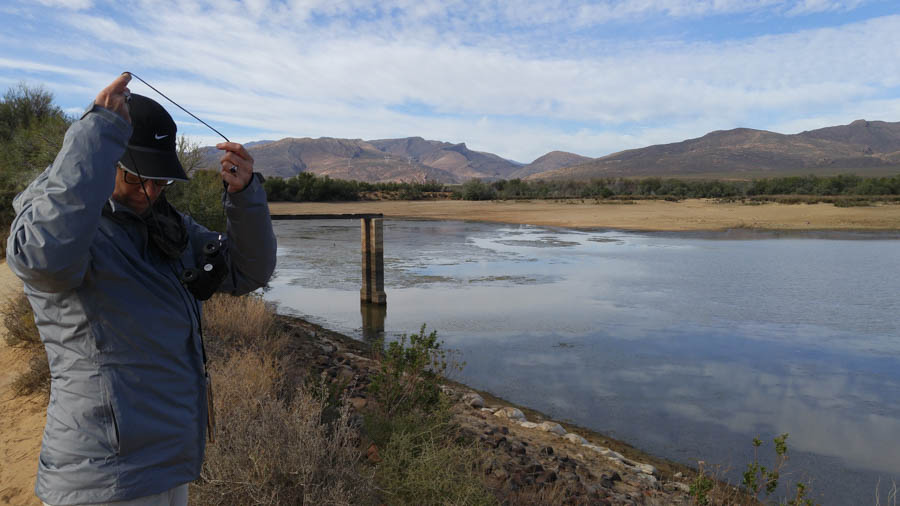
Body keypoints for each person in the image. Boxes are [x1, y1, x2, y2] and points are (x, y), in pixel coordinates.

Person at [6, 73, 277, 505]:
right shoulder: (65, 230)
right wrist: (94, 133)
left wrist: (244, 197)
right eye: (135, 178)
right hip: (103, 476)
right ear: (100, 161)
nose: (149, 191)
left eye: (161, 181)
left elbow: (248, 272)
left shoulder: (166, 226)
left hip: (170, 463)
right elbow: (42, 262)